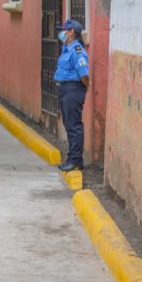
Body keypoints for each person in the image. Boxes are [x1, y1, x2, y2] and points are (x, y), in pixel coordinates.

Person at [53, 19, 89, 172]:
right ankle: (73, 158)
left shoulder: (77, 50)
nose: (62, 33)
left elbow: (84, 74)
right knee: (69, 124)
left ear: (72, 32)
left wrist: (85, 86)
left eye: (64, 30)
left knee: (74, 126)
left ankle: (75, 160)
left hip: (73, 90)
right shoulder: (66, 48)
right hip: (65, 89)